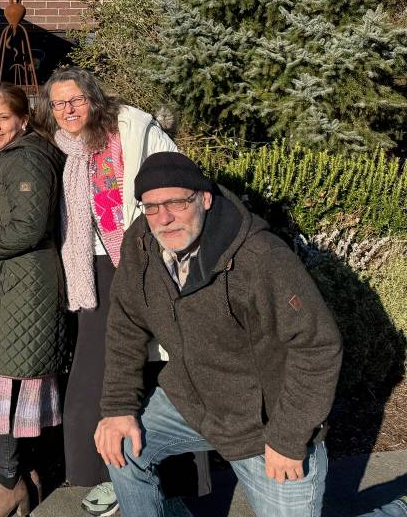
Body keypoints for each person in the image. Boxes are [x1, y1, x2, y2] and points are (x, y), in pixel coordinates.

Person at [95, 152, 343, 517]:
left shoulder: (260, 257)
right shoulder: (141, 244)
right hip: (193, 403)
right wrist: (118, 409)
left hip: (266, 427)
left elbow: (318, 345)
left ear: (205, 199)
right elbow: (125, 324)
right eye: (151, 207)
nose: (163, 218)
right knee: (120, 443)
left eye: (177, 203)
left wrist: (288, 436)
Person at [34, 67, 177, 517]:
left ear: (93, 99)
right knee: (99, 366)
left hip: (136, 259)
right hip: (85, 268)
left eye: (75, 99)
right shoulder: (59, 147)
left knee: (131, 365)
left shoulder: (128, 130)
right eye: (59, 103)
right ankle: (108, 468)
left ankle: (127, 473)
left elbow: (173, 179)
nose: (68, 110)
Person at [0, 84, 69, 517]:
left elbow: (28, 227)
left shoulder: (26, 159)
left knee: (4, 386)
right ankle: (21, 477)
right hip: (11, 286)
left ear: (23, 119)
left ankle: (8, 483)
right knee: (9, 383)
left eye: (2, 118)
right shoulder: (10, 155)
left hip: (21, 289)